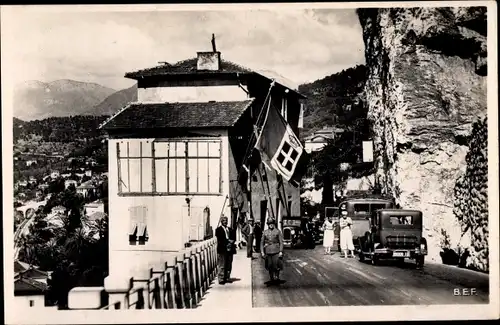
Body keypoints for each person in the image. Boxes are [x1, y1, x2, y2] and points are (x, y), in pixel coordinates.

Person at [260, 218, 284, 283]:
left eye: (272, 223)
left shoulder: (277, 231)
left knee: (276, 265)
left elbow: (281, 242)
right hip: (268, 251)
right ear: (268, 224)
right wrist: (262, 252)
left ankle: (277, 276)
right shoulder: (265, 232)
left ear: (274, 224)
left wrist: (281, 251)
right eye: (269, 224)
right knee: (269, 265)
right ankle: (271, 277)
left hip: (276, 250)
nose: (271, 225)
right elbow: (261, 243)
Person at [215, 216, 236, 284]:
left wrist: (232, 241)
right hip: (222, 249)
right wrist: (228, 241)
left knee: (229, 264)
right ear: (221, 222)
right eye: (224, 220)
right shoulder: (218, 230)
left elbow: (233, 237)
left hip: (230, 249)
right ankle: (221, 279)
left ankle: (227, 277)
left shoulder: (230, 229)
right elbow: (220, 239)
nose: (225, 222)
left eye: (226, 220)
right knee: (222, 264)